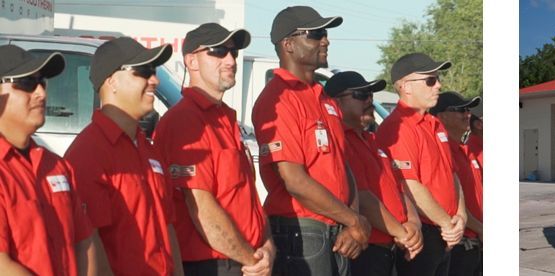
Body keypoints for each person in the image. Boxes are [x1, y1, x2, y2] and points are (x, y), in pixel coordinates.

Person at [251, 6, 368, 275]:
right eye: (315, 34)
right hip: (301, 232)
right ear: (288, 45)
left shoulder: (324, 97)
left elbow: (343, 166)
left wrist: (353, 223)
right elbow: (294, 180)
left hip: (336, 231)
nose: (325, 40)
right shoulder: (277, 99)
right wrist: (353, 220)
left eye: (325, 33)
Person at [155, 23, 275, 276]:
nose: (230, 60)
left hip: (244, 261)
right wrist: (252, 260)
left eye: (233, 52)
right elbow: (202, 210)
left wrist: (268, 246)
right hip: (213, 265)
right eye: (218, 51)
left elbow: (248, 198)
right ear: (192, 61)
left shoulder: (224, 120)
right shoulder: (185, 121)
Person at [66, 37, 183, 276]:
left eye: (154, 71)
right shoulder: (88, 154)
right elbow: (89, 246)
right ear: (112, 82)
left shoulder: (148, 149)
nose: (154, 80)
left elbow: (168, 227)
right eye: (143, 71)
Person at [0, 44, 109, 276]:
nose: (41, 93)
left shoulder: (57, 166)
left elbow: (84, 242)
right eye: (28, 83)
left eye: (43, 82)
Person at [324, 71, 425, 275]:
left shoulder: (373, 140)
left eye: (371, 94)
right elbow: (362, 197)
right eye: (361, 95)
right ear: (336, 102)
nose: (369, 99)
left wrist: (414, 224)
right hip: (366, 251)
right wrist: (402, 233)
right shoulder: (340, 142)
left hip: (391, 248)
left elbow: (399, 190)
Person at [376, 53, 467, 275]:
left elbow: (451, 174)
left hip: (445, 232)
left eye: (437, 79)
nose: (438, 85)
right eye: (430, 80)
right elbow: (409, 185)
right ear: (406, 86)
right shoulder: (397, 128)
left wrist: (461, 217)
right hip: (423, 233)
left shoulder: (435, 124)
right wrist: (447, 224)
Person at [431, 92, 482, 276]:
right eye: (461, 109)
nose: (467, 114)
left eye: (468, 109)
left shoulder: (466, 150)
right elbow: (448, 199)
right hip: (458, 244)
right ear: (441, 116)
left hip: (475, 241)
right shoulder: (440, 151)